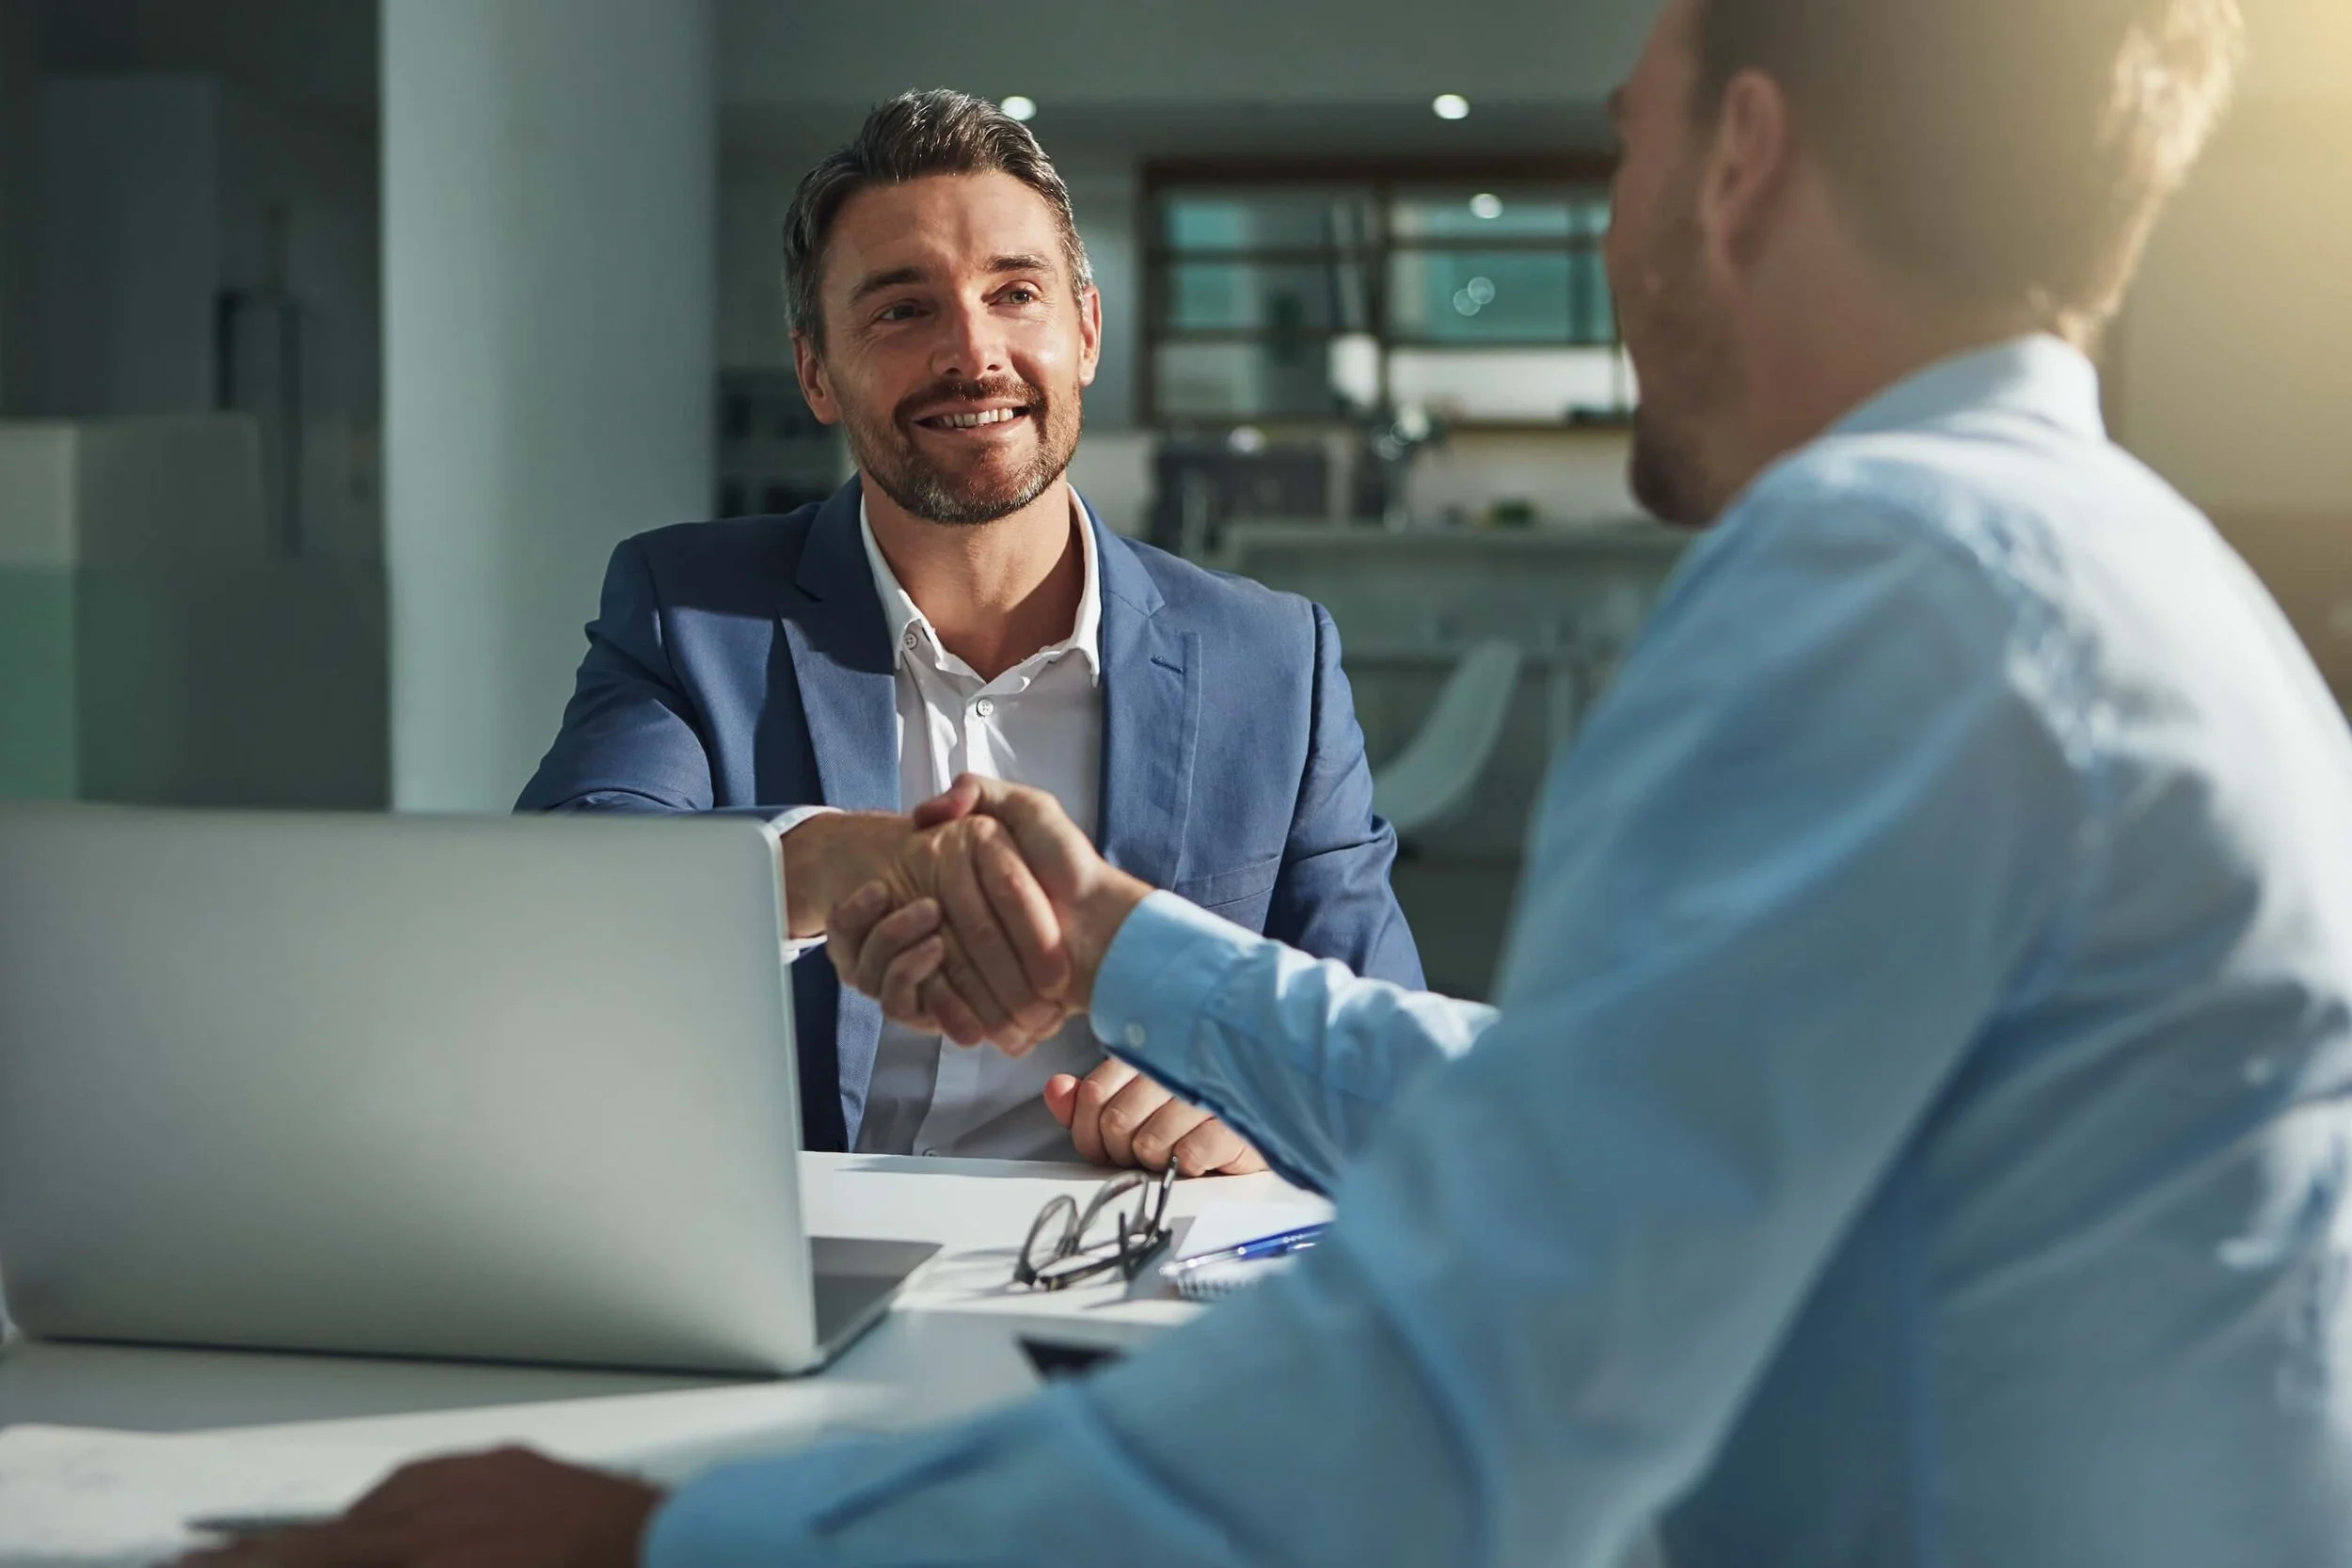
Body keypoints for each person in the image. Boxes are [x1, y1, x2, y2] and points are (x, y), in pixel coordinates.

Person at [189, 0, 2352, 1563]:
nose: (1604, 230)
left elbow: (1449, 1412)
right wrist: (1126, 958)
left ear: (1741, 159)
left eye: (1616, 143)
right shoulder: (2098, 577)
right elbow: (1558, 1136)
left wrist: (659, 1545)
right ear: (821, 362)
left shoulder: (1883, 596)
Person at [515, 90, 1422, 1172]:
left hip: (1130, 1270)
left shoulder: (1272, 662)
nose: (972, 351)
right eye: (903, 309)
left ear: (1084, 332)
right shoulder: (687, 607)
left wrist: (1266, 1108)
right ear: (816, 370)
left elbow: (1385, 1043)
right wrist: (838, 860)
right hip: (793, 1270)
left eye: (1015, 293)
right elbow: (561, 891)